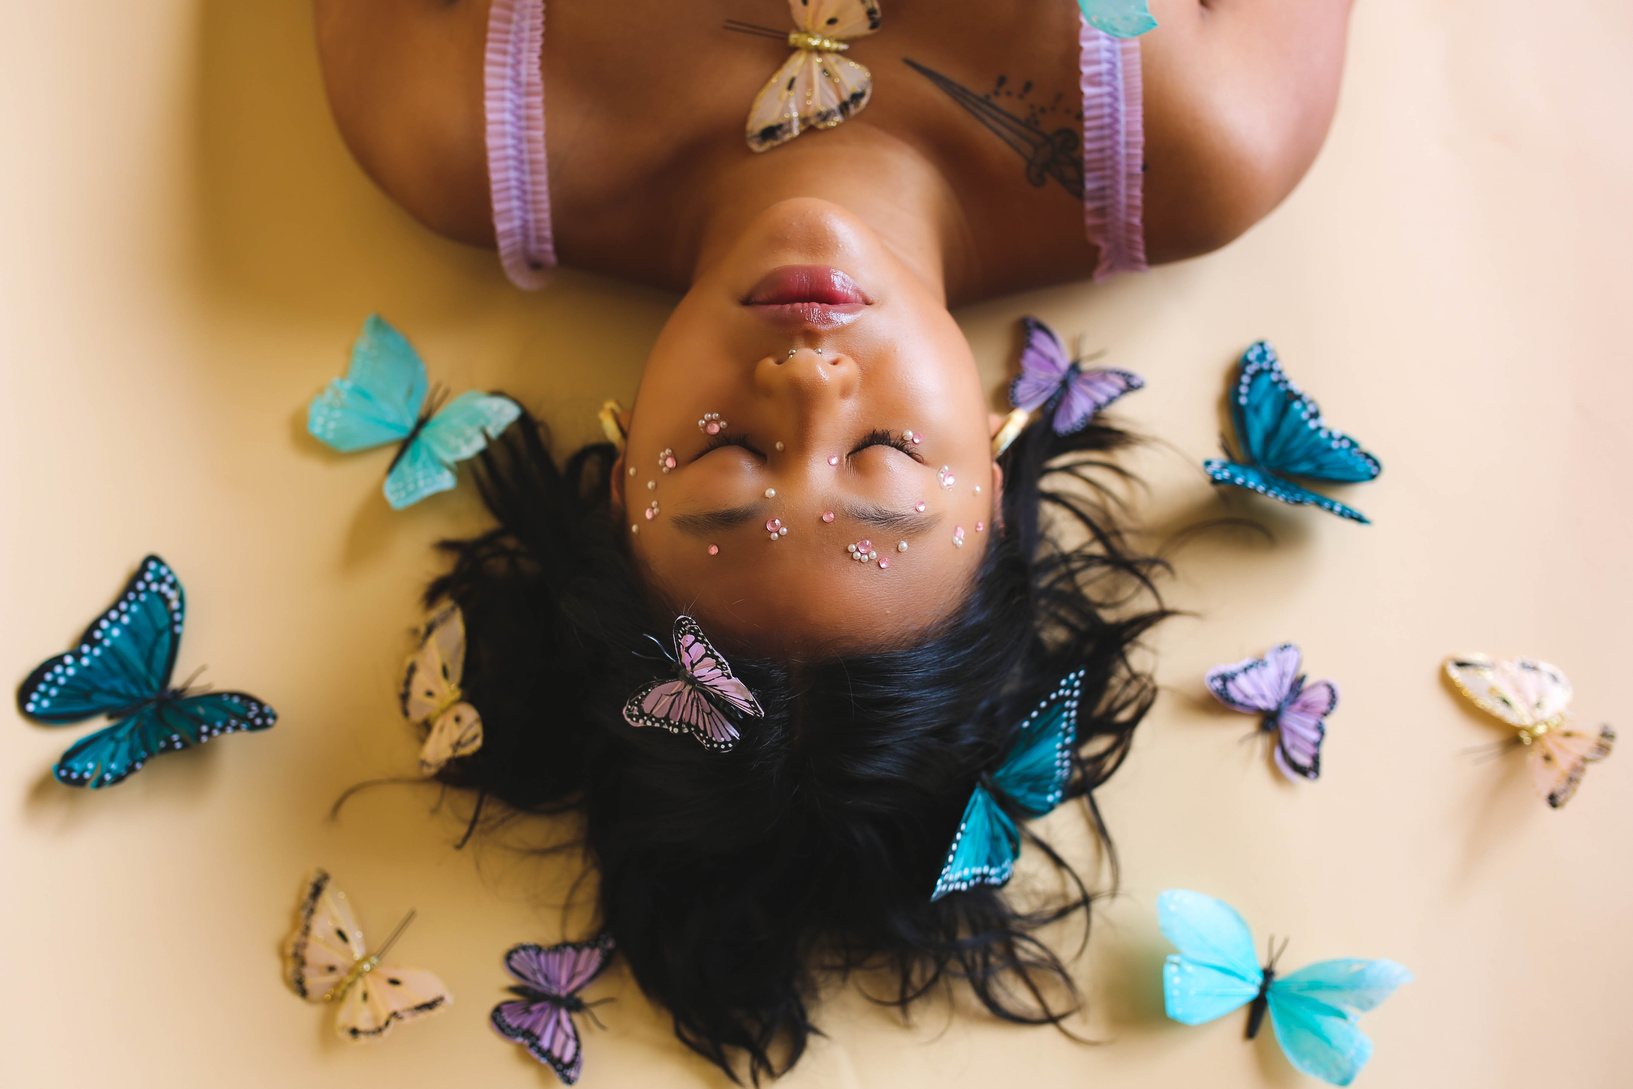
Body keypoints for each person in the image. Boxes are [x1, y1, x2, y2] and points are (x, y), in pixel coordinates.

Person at [314, 0, 1354, 1079]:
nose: (810, 379)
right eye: (888, 457)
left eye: (727, 469)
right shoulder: (1201, 132)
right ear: (994, 492)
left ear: (625, 491)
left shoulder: (447, 113)